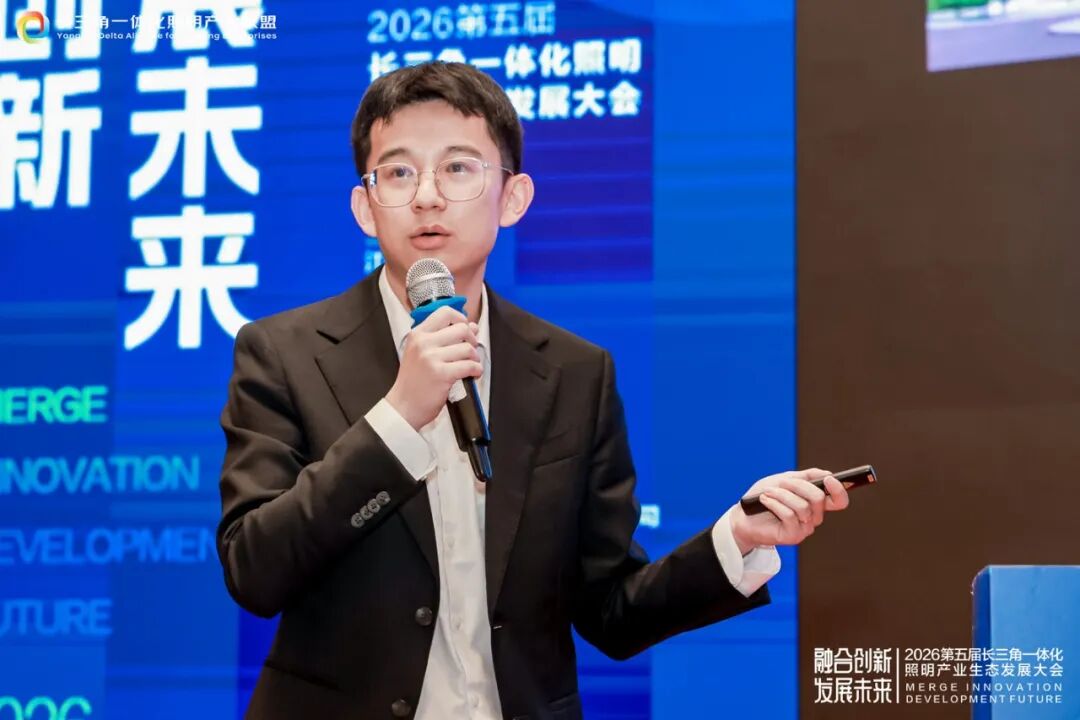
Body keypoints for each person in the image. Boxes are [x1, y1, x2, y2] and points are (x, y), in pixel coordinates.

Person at [216, 61, 851, 720]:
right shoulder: (283, 353)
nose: (427, 196)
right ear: (364, 207)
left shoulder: (575, 373)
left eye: (458, 168)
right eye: (399, 173)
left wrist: (737, 537)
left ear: (513, 197)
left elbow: (611, 607)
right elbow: (255, 570)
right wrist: (399, 417)